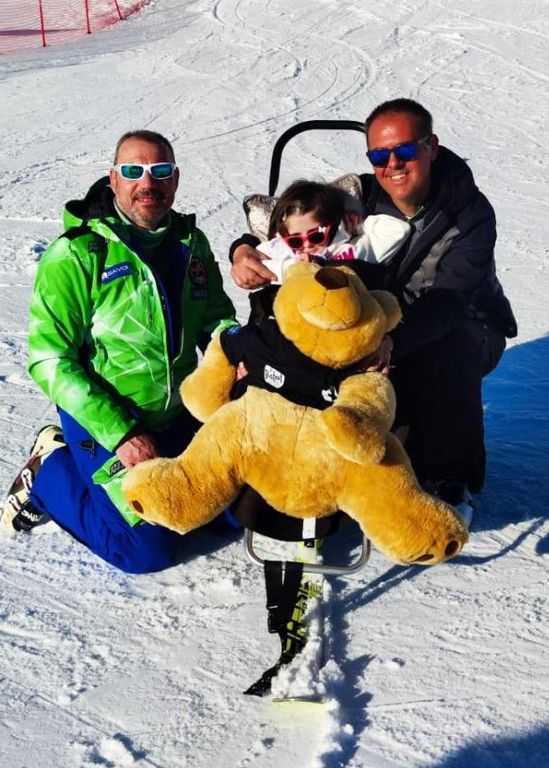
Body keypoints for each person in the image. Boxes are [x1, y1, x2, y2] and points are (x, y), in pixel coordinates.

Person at [229, 99, 517, 523]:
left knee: (446, 350)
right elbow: (293, 217)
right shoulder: (360, 194)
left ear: (431, 146)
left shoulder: (469, 213)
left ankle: (450, 478)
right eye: (379, 156)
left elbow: (449, 302)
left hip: (466, 322)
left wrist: (390, 342)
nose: (392, 165)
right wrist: (243, 250)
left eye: (405, 150)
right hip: (380, 319)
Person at [1, 130, 238, 572]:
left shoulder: (190, 244)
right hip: (106, 421)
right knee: (145, 550)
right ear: (113, 179)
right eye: (133, 171)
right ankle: (50, 472)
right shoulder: (77, 254)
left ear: (175, 179)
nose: (147, 183)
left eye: (160, 171)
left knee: (235, 513)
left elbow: (217, 319)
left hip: (177, 413)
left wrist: (244, 356)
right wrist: (122, 434)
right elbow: (49, 361)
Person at [254, 178, 410, 281]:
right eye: (296, 241)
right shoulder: (283, 250)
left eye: (316, 236)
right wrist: (294, 267)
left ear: (333, 225)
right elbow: (255, 265)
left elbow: (399, 231)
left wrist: (358, 226)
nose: (307, 245)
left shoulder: (355, 247)